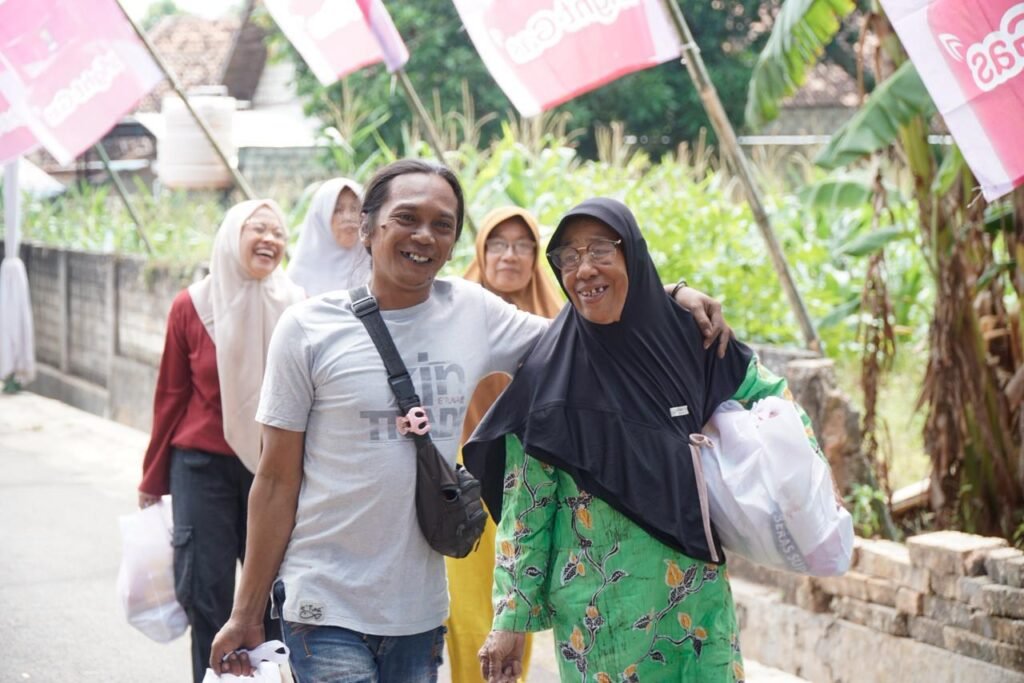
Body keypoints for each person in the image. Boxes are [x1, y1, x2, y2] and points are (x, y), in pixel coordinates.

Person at [209, 161, 729, 681]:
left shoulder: (472, 312)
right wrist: (246, 611)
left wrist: (670, 294)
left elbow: (584, 339)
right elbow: (275, 480)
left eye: (442, 224)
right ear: (368, 228)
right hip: (321, 604)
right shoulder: (306, 329)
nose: (424, 235)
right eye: (407, 218)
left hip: (420, 611)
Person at [467, 198, 827, 683]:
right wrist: (510, 621)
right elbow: (527, 508)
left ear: (631, 254)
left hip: (697, 602)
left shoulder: (690, 338)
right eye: (568, 258)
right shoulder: (551, 372)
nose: (584, 269)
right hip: (601, 617)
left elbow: (772, 397)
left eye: (599, 250)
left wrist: (804, 482)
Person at [138, 199, 305, 683]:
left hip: (275, 467)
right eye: (258, 228)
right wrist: (153, 477)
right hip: (202, 467)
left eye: (278, 231)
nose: (270, 239)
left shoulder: (298, 306)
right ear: (233, 235)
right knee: (206, 596)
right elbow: (170, 393)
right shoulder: (193, 304)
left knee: (275, 598)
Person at [446, 206, 564, 682]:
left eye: (522, 245)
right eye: (497, 243)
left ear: (536, 255)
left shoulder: (558, 320)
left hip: (533, 482)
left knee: (517, 602)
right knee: (470, 609)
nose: (509, 255)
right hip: (465, 476)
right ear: (481, 249)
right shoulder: (453, 311)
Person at [286, 177, 370, 296]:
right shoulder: (299, 275)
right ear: (320, 217)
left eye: (354, 209)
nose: (348, 217)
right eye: (337, 210)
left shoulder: (378, 266)